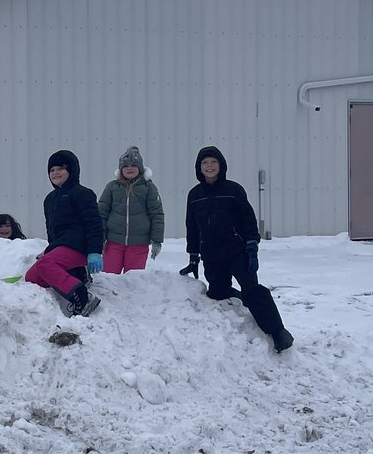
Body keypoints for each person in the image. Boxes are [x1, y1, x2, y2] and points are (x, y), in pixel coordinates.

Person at [180, 146, 294, 353]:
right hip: (212, 254)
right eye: (205, 163)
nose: (209, 166)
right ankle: (239, 300)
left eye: (213, 162)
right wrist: (193, 255)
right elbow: (192, 226)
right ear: (199, 168)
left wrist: (252, 245)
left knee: (252, 289)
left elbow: (247, 218)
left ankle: (278, 332)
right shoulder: (194, 195)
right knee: (217, 293)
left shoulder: (233, 190)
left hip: (237, 250)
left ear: (221, 165)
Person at [25, 149, 103, 317]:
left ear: (72, 170)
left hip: (79, 246)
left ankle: (83, 297)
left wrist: (95, 251)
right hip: (61, 247)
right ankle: (77, 276)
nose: (55, 173)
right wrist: (49, 250)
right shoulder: (49, 199)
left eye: (60, 168)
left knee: (45, 265)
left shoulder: (83, 194)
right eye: (51, 170)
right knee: (32, 277)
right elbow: (51, 231)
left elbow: (94, 223)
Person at [98, 145, 164, 274]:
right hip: (113, 243)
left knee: (133, 280)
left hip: (139, 245)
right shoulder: (112, 187)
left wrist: (157, 240)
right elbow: (102, 213)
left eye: (133, 165)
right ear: (121, 169)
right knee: (110, 277)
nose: (129, 168)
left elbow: (157, 214)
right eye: (125, 166)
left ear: (139, 168)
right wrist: (100, 238)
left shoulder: (148, 187)